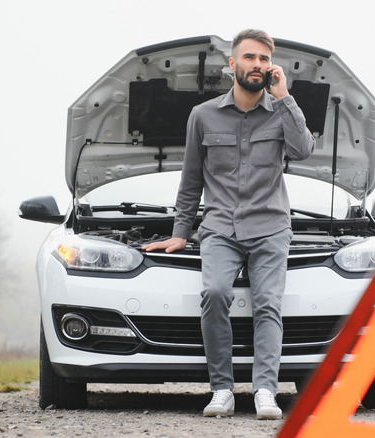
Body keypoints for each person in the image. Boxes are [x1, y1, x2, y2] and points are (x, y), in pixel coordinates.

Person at [142, 29, 315, 420]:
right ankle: (222, 388)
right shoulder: (202, 116)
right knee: (215, 294)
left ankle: (265, 392)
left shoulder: (280, 111)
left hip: (270, 226)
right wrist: (179, 233)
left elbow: (303, 150)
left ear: (270, 68)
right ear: (232, 65)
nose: (257, 64)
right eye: (250, 57)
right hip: (220, 228)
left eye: (264, 59)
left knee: (268, 304)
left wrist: (285, 97)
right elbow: (191, 180)